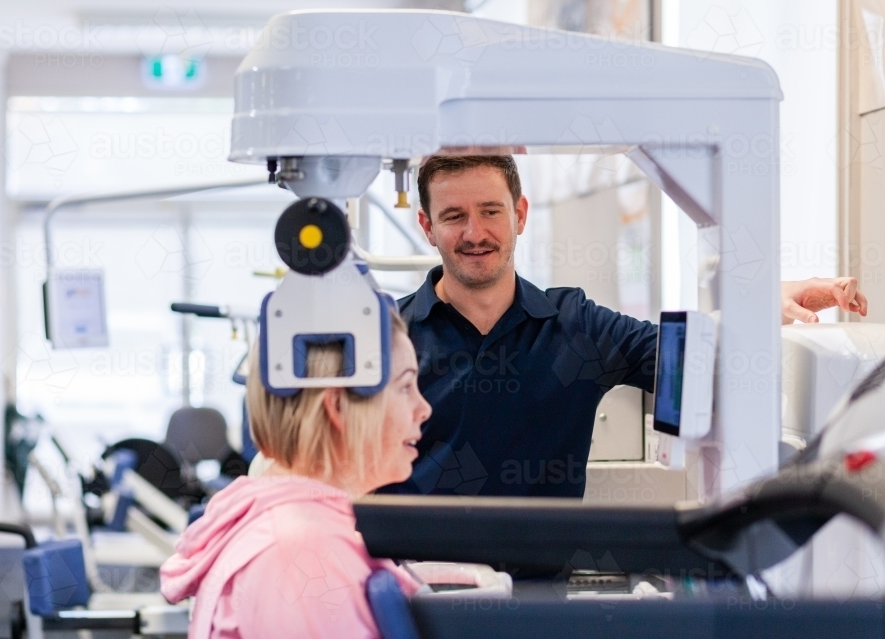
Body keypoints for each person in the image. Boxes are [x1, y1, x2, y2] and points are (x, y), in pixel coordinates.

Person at [380, 154, 869, 499]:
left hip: (538, 599)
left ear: (520, 215)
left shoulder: (575, 326)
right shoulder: (388, 337)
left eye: (490, 211)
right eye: (453, 216)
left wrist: (762, 302)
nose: (474, 233)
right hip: (411, 588)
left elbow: (683, 355)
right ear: (427, 227)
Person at [159, 309, 432, 639]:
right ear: (338, 407)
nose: (424, 408)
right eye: (405, 387)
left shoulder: (298, 532)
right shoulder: (302, 553)